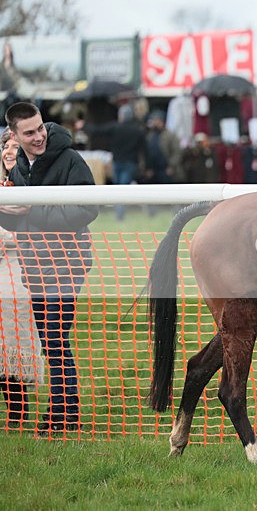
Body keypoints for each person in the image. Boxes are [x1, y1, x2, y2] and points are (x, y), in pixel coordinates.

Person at [0, 102, 98, 435]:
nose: (39, 136)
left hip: (67, 264)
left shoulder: (70, 159)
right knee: (52, 342)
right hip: (34, 266)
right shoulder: (17, 169)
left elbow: (88, 209)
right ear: (14, 135)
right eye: (29, 132)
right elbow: (15, 219)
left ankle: (61, 416)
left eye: (40, 128)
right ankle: (65, 412)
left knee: (55, 340)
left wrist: (32, 211)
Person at [0, 128, 44, 425]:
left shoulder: (31, 188)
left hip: (16, 268)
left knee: (13, 341)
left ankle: (17, 411)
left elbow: (33, 227)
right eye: (5, 146)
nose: (7, 151)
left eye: (15, 148)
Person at [78, 104, 147, 219]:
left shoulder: (115, 127)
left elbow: (97, 130)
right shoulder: (138, 131)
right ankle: (120, 214)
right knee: (123, 188)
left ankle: (119, 215)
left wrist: (84, 126)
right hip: (130, 164)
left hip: (117, 163)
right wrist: (147, 167)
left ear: (121, 116)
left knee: (117, 188)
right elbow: (145, 151)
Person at [144, 109, 183, 185]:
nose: (154, 123)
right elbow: (145, 153)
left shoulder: (170, 135)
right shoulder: (149, 136)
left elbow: (177, 152)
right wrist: (147, 168)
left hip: (166, 170)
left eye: (156, 120)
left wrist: (172, 166)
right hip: (153, 171)